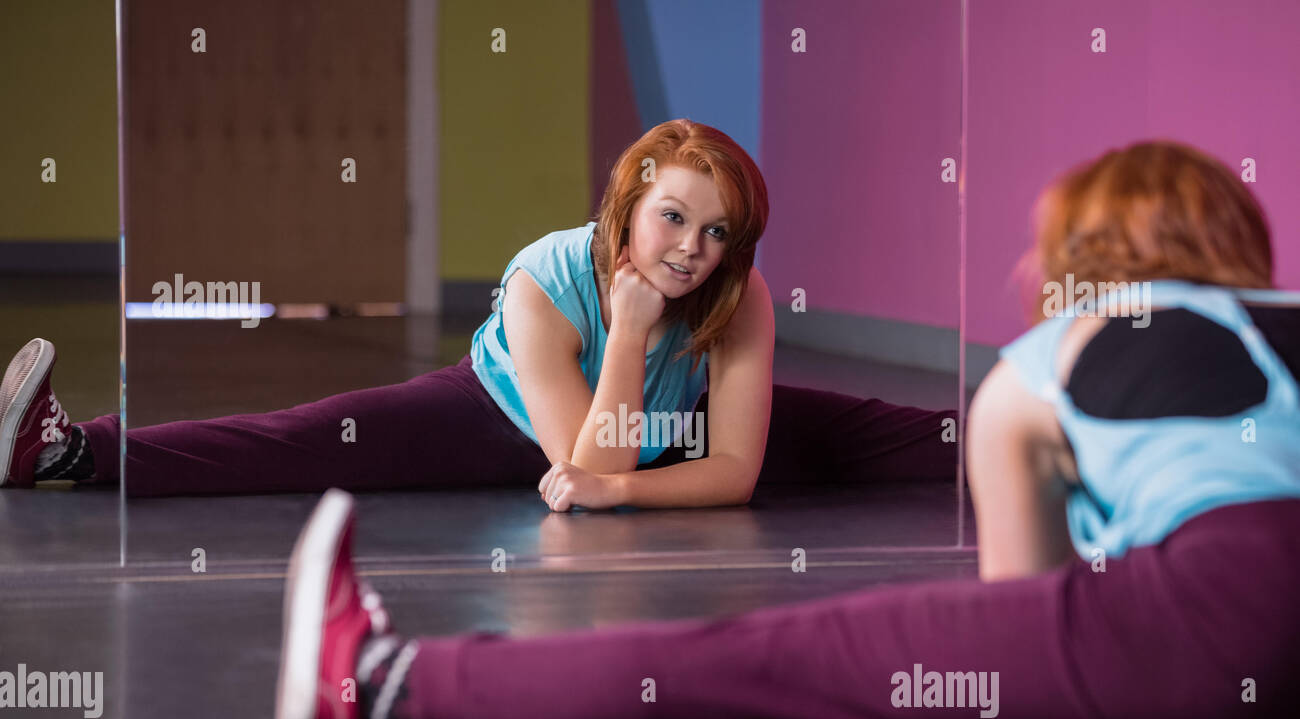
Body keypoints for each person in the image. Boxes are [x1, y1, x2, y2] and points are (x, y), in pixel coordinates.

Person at [273, 141, 1300, 719]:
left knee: (767, 661)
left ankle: (383, 673)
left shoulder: (1041, 360)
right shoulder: (555, 278)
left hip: (1216, 625)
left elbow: (1020, 618)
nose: (693, 247)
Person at [0, 119, 955, 503]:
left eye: (717, 233)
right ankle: (68, 449)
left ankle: (1054, 432)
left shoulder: (737, 295)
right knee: (300, 440)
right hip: (499, 416)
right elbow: (578, 459)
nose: (691, 251)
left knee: (865, 432)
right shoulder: (546, 277)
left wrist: (620, 492)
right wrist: (625, 330)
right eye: (673, 217)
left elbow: (731, 471)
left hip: (658, 438)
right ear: (628, 204)